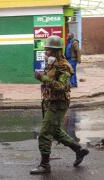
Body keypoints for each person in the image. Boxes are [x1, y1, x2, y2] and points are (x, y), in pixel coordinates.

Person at [31, 36, 89, 175]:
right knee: (55, 131)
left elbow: (62, 87)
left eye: (48, 49)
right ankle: (79, 150)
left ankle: (45, 165)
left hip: (58, 104)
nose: (45, 51)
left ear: (56, 51)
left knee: (45, 133)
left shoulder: (64, 66)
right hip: (50, 101)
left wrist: (42, 78)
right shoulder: (52, 63)